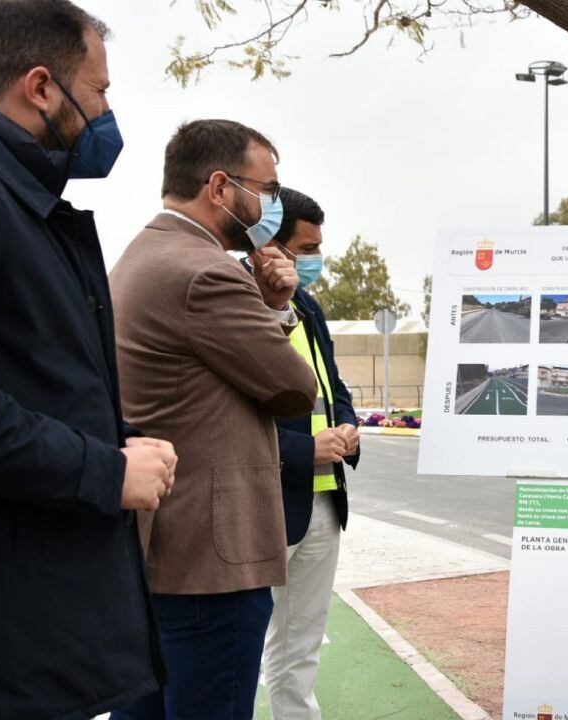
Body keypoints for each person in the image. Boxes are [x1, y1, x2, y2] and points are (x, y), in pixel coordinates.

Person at [0, 1, 177, 717]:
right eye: (100, 90)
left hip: (30, 628)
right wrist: (106, 471)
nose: (107, 112)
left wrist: (113, 442)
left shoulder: (17, 197)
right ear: (41, 86)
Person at [108, 120, 319, 720]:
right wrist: (274, 306)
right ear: (221, 187)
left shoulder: (142, 254)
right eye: (268, 189)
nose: (272, 204)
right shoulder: (206, 272)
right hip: (210, 564)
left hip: (157, 550)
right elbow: (292, 388)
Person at [257, 188, 361, 720]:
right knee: (243, 643)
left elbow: (331, 383)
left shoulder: (309, 306)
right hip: (264, 500)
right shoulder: (239, 301)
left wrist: (348, 423)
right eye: (307, 247)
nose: (317, 258)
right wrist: (302, 451)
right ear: (270, 245)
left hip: (323, 502)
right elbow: (230, 416)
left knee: (302, 645)